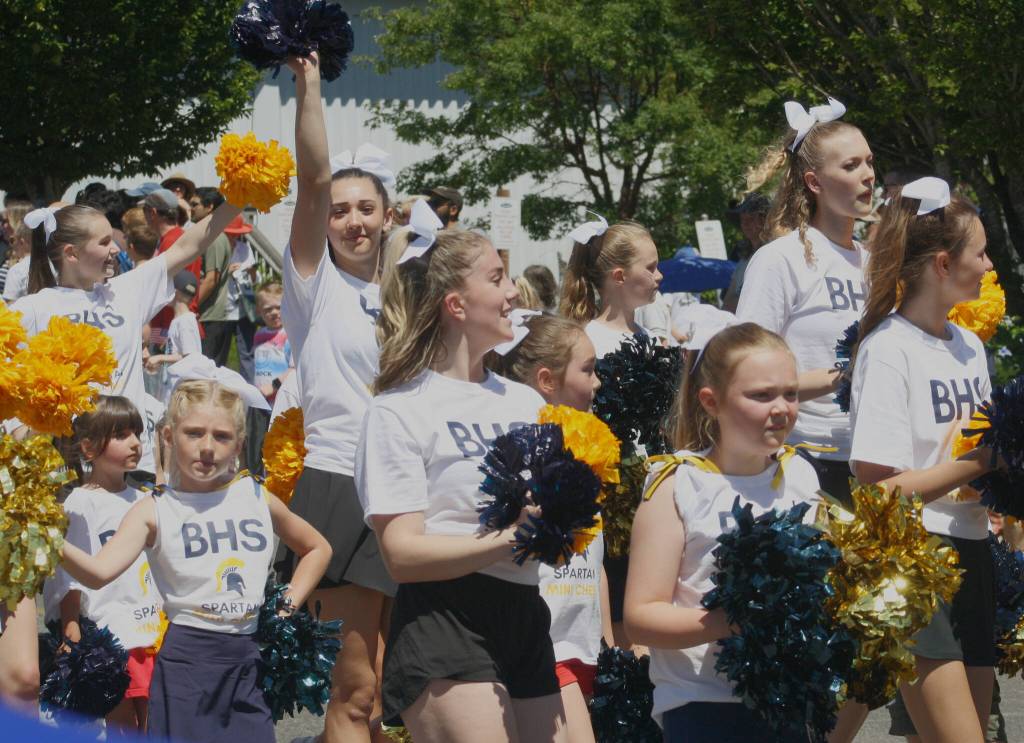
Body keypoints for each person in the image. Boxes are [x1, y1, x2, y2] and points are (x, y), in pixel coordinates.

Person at [356, 223, 567, 743]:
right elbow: (401, 554)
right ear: (456, 304)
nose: (513, 291)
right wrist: (511, 537)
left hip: (525, 612)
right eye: (496, 278)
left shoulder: (526, 403)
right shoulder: (399, 409)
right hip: (444, 616)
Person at [58, 375, 332, 743]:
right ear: (169, 438)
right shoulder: (154, 509)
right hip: (186, 663)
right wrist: (44, 537)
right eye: (194, 433)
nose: (207, 447)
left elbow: (317, 548)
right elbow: (97, 572)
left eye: (221, 436)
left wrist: (284, 609)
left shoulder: (254, 496)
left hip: (246, 659)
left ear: (240, 444)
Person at [849, 178, 998, 743]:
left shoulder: (970, 346)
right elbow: (879, 493)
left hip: (973, 549)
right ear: (942, 263)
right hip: (917, 558)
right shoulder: (889, 349)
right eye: (979, 252)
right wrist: (983, 463)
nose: (988, 265)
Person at [624, 322, 821, 742]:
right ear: (711, 402)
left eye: (790, 393)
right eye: (761, 395)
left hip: (786, 698)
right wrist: (735, 621)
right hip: (701, 704)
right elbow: (640, 617)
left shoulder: (800, 472)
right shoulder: (677, 481)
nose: (781, 408)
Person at [280, 53, 397, 743]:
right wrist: (311, 88)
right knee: (352, 691)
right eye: (341, 210)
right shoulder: (313, 285)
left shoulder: (410, 296)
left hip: (404, 489)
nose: (352, 220)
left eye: (366, 209)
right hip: (336, 486)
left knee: (383, 693)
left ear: (388, 216)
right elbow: (313, 179)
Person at [737, 98, 874, 514]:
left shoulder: (876, 262)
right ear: (814, 182)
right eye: (851, 166)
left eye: (869, 162)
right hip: (803, 462)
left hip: (870, 463)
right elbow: (743, 371)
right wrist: (843, 375)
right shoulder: (780, 259)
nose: (868, 175)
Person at [488, 313, 611, 743]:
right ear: (546, 379)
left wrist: (607, 642)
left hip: (583, 643)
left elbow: (595, 560)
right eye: (588, 369)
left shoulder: (593, 448)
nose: (597, 382)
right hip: (545, 642)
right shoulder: (520, 457)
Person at [13, 197, 239, 421]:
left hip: (135, 447)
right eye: (104, 242)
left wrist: (238, 200)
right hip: (73, 450)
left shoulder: (127, 290)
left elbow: (187, 246)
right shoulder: (32, 309)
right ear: (72, 253)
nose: (115, 248)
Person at [558, 214, 663, 649]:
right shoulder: (589, 340)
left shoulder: (653, 337)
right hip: (612, 491)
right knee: (619, 611)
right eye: (651, 267)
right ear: (620, 276)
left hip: (654, 486)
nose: (659, 276)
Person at [47, 396, 163, 734]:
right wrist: (70, 625)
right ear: (88, 447)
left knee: (156, 721)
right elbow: (69, 572)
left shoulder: (146, 497)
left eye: (137, 433)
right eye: (121, 434)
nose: (135, 443)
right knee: (123, 724)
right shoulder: (80, 503)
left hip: (151, 628)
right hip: (110, 632)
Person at [144, 188, 200, 348]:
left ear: (153, 212)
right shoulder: (178, 237)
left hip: (170, 326)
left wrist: (159, 335)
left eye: (144, 211)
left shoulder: (170, 243)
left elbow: (167, 290)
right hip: (179, 322)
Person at [246, 281, 292, 475]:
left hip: (281, 405)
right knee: (258, 448)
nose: (274, 313)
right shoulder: (259, 336)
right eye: (267, 309)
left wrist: (273, 387)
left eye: (278, 307)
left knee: (279, 451)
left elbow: (294, 369)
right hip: (261, 405)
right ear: (259, 311)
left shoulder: (289, 334)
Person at [146, 271, 203, 403]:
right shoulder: (179, 320)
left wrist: (160, 358)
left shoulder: (185, 322)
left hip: (180, 389)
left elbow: (190, 356)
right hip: (172, 386)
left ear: (175, 292)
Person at [196, 189, 237, 366]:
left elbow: (211, 278)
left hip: (211, 317)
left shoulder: (214, 239)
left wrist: (192, 306)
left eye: (195, 204)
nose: (191, 209)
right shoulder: (207, 236)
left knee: (208, 373)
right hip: (207, 316)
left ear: (209, 207)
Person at [722, 192, 770, 312]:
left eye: (751, 219)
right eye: (742, 219)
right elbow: (727, 302)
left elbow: (761, 299)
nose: (745, 224)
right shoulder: (743, 259)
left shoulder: (771, 253)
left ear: (764, 220)